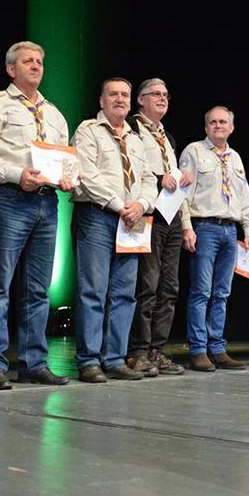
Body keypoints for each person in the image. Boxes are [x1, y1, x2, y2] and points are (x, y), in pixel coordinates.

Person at [0, 41, 72, 391]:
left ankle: (33, 362)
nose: (36, 66)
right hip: (10, 199)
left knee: (38, 289)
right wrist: (17, 175)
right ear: (12, 69)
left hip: (48, 203)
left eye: (40, 61)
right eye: (28, 61)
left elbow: (64, 159)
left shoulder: (55, 114)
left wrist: (70, 178)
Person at [72, 78, 157, 383]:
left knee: (124, 294)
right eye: (113, 94)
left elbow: (149, 178)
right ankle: (89, 360)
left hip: (132, 220)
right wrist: (120, 203)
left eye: (125, 95)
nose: (120, 99)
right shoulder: (87, 130)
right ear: (102, 100)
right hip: (98, 216)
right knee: (93, 290)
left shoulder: (136, 138)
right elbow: (86, 173)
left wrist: (142, 204)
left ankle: (115, 358)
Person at [179, 106, 249, 371]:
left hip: (229, 229)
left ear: (232, 128)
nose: (218, 126)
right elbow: (183, 194)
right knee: (201, 291)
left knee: (223, 293)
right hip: (205, 227)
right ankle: (199, 349)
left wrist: (248, 231)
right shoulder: (194, 151)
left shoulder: (235, 158)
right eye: (212, 122)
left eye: (223, 122)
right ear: (206, 128)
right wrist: (187, 227)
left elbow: (244, 197)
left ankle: (218, 347)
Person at [125, 78, 191, 376]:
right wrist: (157, 176)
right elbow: (132, 171)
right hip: (149, 215)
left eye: (166, 94)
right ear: (140, 100)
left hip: (172, 217)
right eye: (155, 94)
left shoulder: (168, 138)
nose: (162, 98)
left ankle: (157, 350)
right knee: (147, 285)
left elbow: (176, 186)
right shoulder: (133, 131)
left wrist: (187, 225)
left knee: (170, 287)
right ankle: (137, 350)